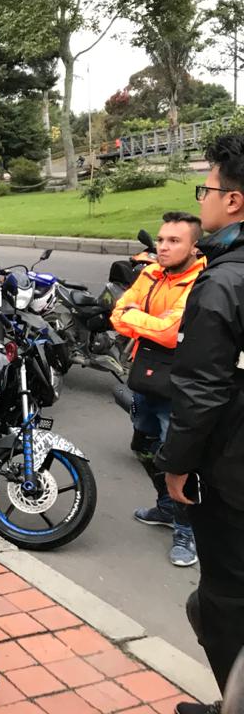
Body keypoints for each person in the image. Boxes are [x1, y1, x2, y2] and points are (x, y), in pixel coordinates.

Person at [155, 135, 244, 714]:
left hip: (232, 473)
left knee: (225, 600)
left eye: (206, 188)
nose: (202, 200)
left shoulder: (223, 282)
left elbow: (203, 388)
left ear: (233, 201)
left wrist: (176, 466)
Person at [110, 211, 205, 568]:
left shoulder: (201, 280)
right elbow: (117, 312)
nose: (163, 247)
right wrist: (144, 321)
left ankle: (187, 529)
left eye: (174, 241)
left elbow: (171, 331)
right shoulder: (150, 272)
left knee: (177, 457)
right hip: (146, 375)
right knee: (144, 444)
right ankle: (166, 507)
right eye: (162, 240)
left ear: (194, 247)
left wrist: (137, 319)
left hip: (179, 382)